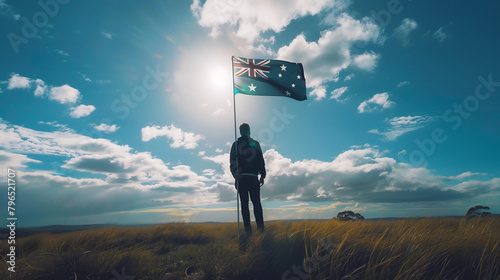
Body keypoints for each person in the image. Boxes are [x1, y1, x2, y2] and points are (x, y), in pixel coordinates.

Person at [230, 123, 266, 234]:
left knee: (245, 204)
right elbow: (260, 161)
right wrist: (262, 175)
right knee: (256, 203)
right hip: (252, 177)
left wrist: (235, 174)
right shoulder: (254, 144)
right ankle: (260, 229)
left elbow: (232, 161)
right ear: (249, 130)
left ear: (241, 131)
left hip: (242, 178)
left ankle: (248, 230)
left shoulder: (236, 145)